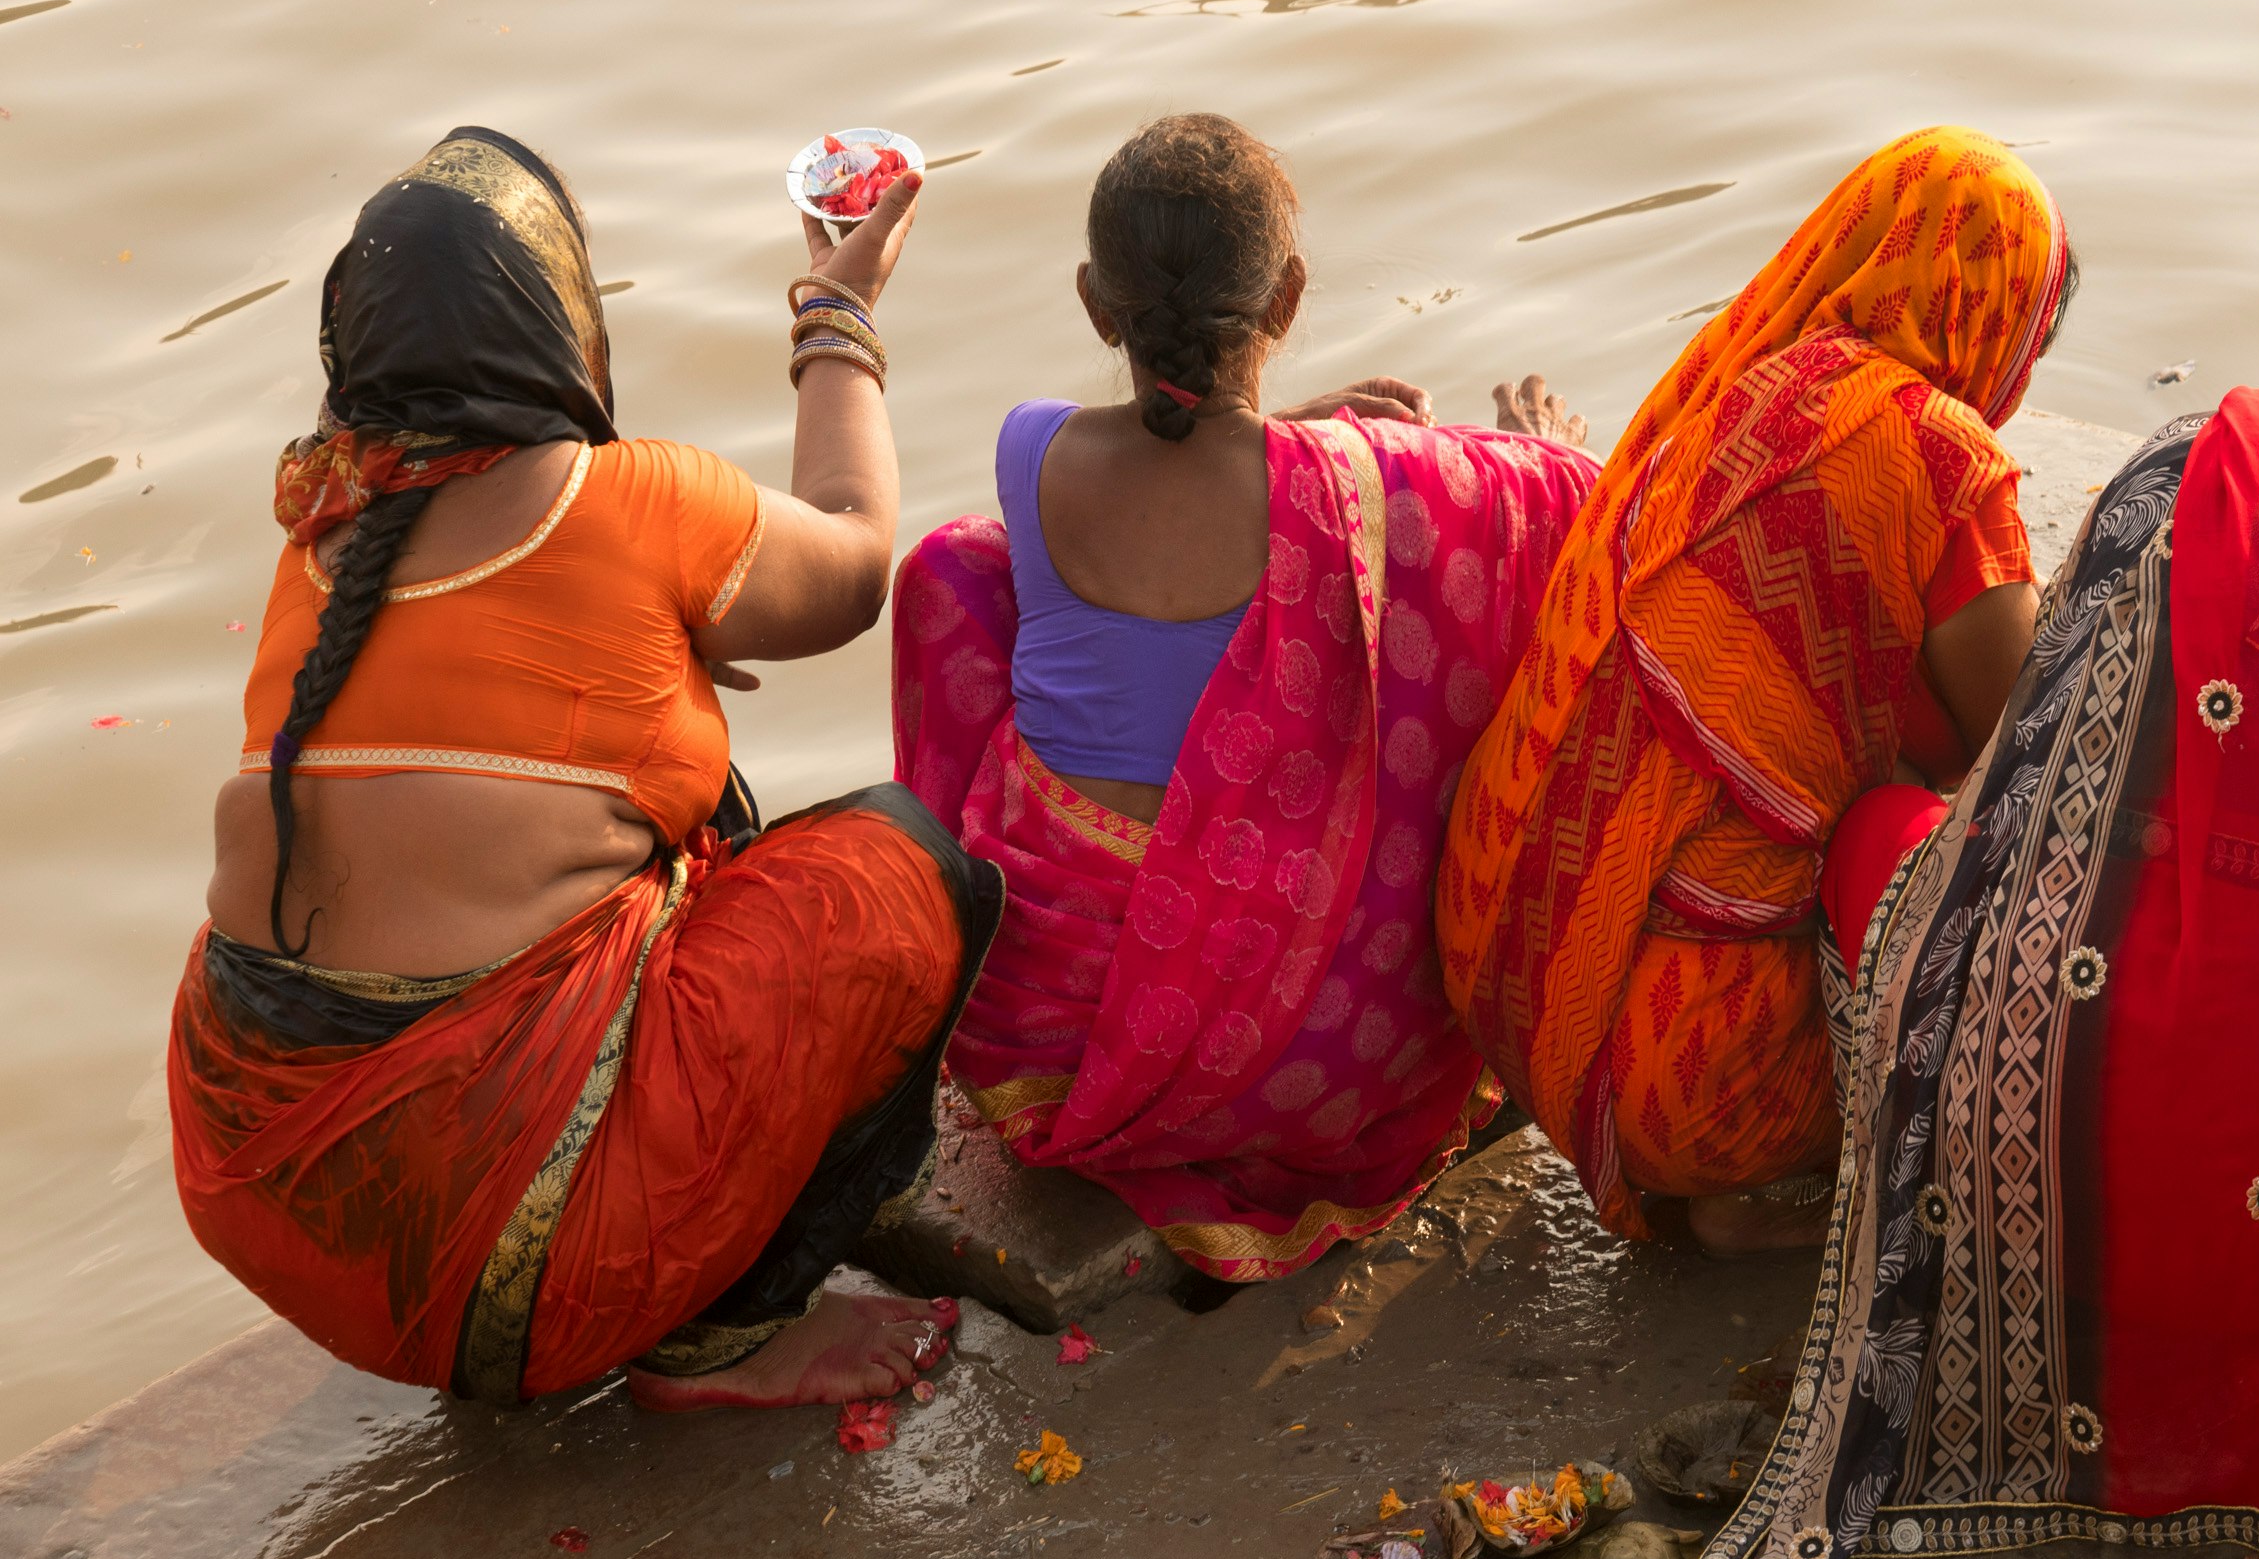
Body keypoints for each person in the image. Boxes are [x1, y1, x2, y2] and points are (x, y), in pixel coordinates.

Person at [1680, 265, 2259, 1559]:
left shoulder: (2196, 469)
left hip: (2066, 1142)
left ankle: (1867, 1184)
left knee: (1893, 831)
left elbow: (2022, 778)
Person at [172, 126, 994, 1409]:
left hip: (282, 1221)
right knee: (903, 872)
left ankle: (573, 1223)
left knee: (686, 811)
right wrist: (836, 311)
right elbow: (851, 560)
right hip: (519, 1272)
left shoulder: (322, 539)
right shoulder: (627, 502)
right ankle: (724, 1337)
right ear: (558, 325)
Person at [892, 113, 1599, 1279]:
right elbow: (1566, 499)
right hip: (1302, 1064)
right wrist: (1532, 444)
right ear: (1288, 297)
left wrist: (1305, 422)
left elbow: (1191, 467)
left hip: (1046, 1034)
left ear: (1091, 302)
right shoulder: (1364, 484)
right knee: (1464, 604)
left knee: (958, 568)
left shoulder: (1035, 453)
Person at [1435, 126, 2073, 1254]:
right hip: (1684, 1079)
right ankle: (1750, 1197)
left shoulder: (1747, 378)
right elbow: (2031, 744)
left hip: (1507, 960)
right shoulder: (1939, 459)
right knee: (1977, 855)